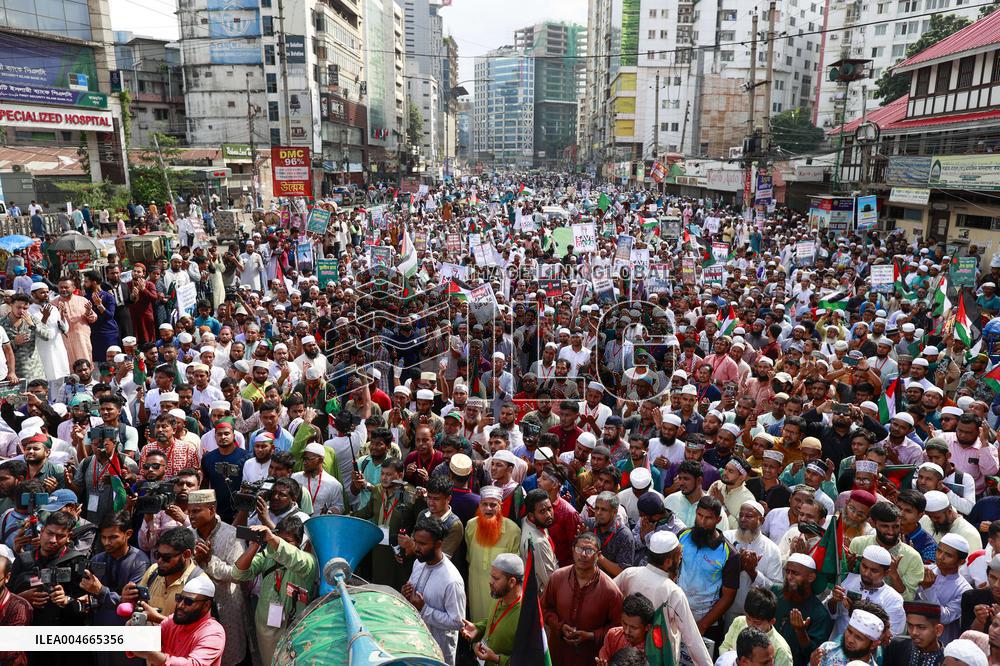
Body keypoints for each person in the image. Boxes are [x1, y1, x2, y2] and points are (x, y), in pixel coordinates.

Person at [231, 518, 315, 664]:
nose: (279, 544)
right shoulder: (267, 556)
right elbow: (238, 574)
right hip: (267, 626)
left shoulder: (307, 561)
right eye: (279, 538)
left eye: (287, 541)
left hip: (295, 627)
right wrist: (254, 546)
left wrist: (273, 539)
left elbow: (294, 558)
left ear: (299, 541)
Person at [79, 511, 150, 666]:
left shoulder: (140, 562)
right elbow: (93, 595)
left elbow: (130, 602)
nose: (107, 542)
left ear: (128, 534)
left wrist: (100, 591)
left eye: (113, 537)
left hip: (127, 631)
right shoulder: (98, 559)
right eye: (104, 537)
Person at [541, 532, 623, 666]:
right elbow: (544, 608)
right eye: (579, 549)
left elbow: (618, 627)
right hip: (558, 654)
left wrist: (591, 635)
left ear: (598, 554)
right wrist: (559, 627)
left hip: (589, 658)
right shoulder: (557, 578)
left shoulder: (610, 590)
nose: (583, 554)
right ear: (573, 551)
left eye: (589, 550)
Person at [403, 516, 467, 665]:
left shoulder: (452, 580)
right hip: (414, 642)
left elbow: (458, 622)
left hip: (438, 651)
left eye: (422, 544)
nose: (416, 548)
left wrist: (424, 609)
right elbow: (413, 597)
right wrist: (405, 593)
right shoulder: (419, 564)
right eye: (415, 542)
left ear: (438, 544)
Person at [676, 496, 740, 642]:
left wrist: (703, 625)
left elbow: (728, 597)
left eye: (708, 518)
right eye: (699, 515)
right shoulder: (682, 536)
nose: (702, 522)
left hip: (707, 622)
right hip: (678, 611)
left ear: (718, 520)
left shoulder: (729, 554)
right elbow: (671, 571)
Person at [128, 575, 226, 666]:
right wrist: (132, 633)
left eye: (189, 601)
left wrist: (152, 655)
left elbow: (194, 664)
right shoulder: (173, 620)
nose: (180, 605)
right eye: (179, 598)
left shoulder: (213, 633)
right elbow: (150, 640)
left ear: (206, 605)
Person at [464, 485, 520, 622]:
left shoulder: (513, 530)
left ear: (500, 506)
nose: (488, 508)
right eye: (484, 504)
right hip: (475, 590)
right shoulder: (471, 526)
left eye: (493, 505)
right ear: (479, 505)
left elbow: (515, 572)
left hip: (500, 595)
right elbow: (470, 558)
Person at [459, 553, 523, 666]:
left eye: (496, 578)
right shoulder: (499, 595)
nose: (490, 581)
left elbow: (528, 660)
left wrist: (497, 659)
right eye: (491, 576)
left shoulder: (525, 615)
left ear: (512, 582)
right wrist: (477, 629)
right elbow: (494, 621)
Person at [774, 554, 833, 665]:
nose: (789, 577)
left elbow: (813, 655)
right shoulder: (777, 595)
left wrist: (800, 631)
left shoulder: (820, 614)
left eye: (795, 573)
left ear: (811, 577)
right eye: (788, 572)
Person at [812, 607, 884, 666]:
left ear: (873, 644)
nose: (849, 639)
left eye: (858, 637)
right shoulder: (827, 649)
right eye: (849, 631)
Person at [882, 600, 946, 666]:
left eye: (921, 627)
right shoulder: (896, 647)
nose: (914, 632)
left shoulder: (948, 659)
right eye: (910, 625)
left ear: (938, 630)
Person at [519, 488, 557, 594]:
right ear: (531, 515)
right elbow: (550, 580)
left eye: (550, 509)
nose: (549, 515)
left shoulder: (528, 521)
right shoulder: (538, 543)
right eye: (542, 511)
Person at [597, 593, 654, 664]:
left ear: (647, 627)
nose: (626, 631)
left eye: (633, 627)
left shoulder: (654, 649)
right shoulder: (613, 636)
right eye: (624, 623)